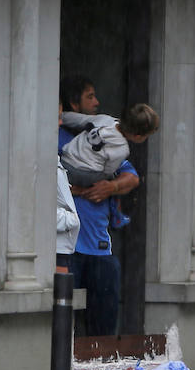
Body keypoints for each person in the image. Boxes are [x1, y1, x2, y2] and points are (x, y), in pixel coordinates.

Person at [58, 74, 141, 337]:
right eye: (89, 96)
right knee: (62, 324)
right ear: (74, 103)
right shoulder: (60, 140)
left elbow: (132, 178)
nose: (97, 102)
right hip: (66, 246)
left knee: (103, 325)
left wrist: (111, 187)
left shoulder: (108, 138)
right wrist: (82, 190)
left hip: (99, 247)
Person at [58, 103, 159, 187]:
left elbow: (78, 120)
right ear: (138, 136)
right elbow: (108, 171)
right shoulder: (122, 149)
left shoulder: (104, 119)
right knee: (111, 176)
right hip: (82, 174)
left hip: (65, 159)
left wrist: (61, 116)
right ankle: (79, 190)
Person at [55, 105, 81, 274]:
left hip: (63, 247)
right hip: (54, 248)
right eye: (56, 117)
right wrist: (72, 220)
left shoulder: (55, 158)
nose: (60, 122)